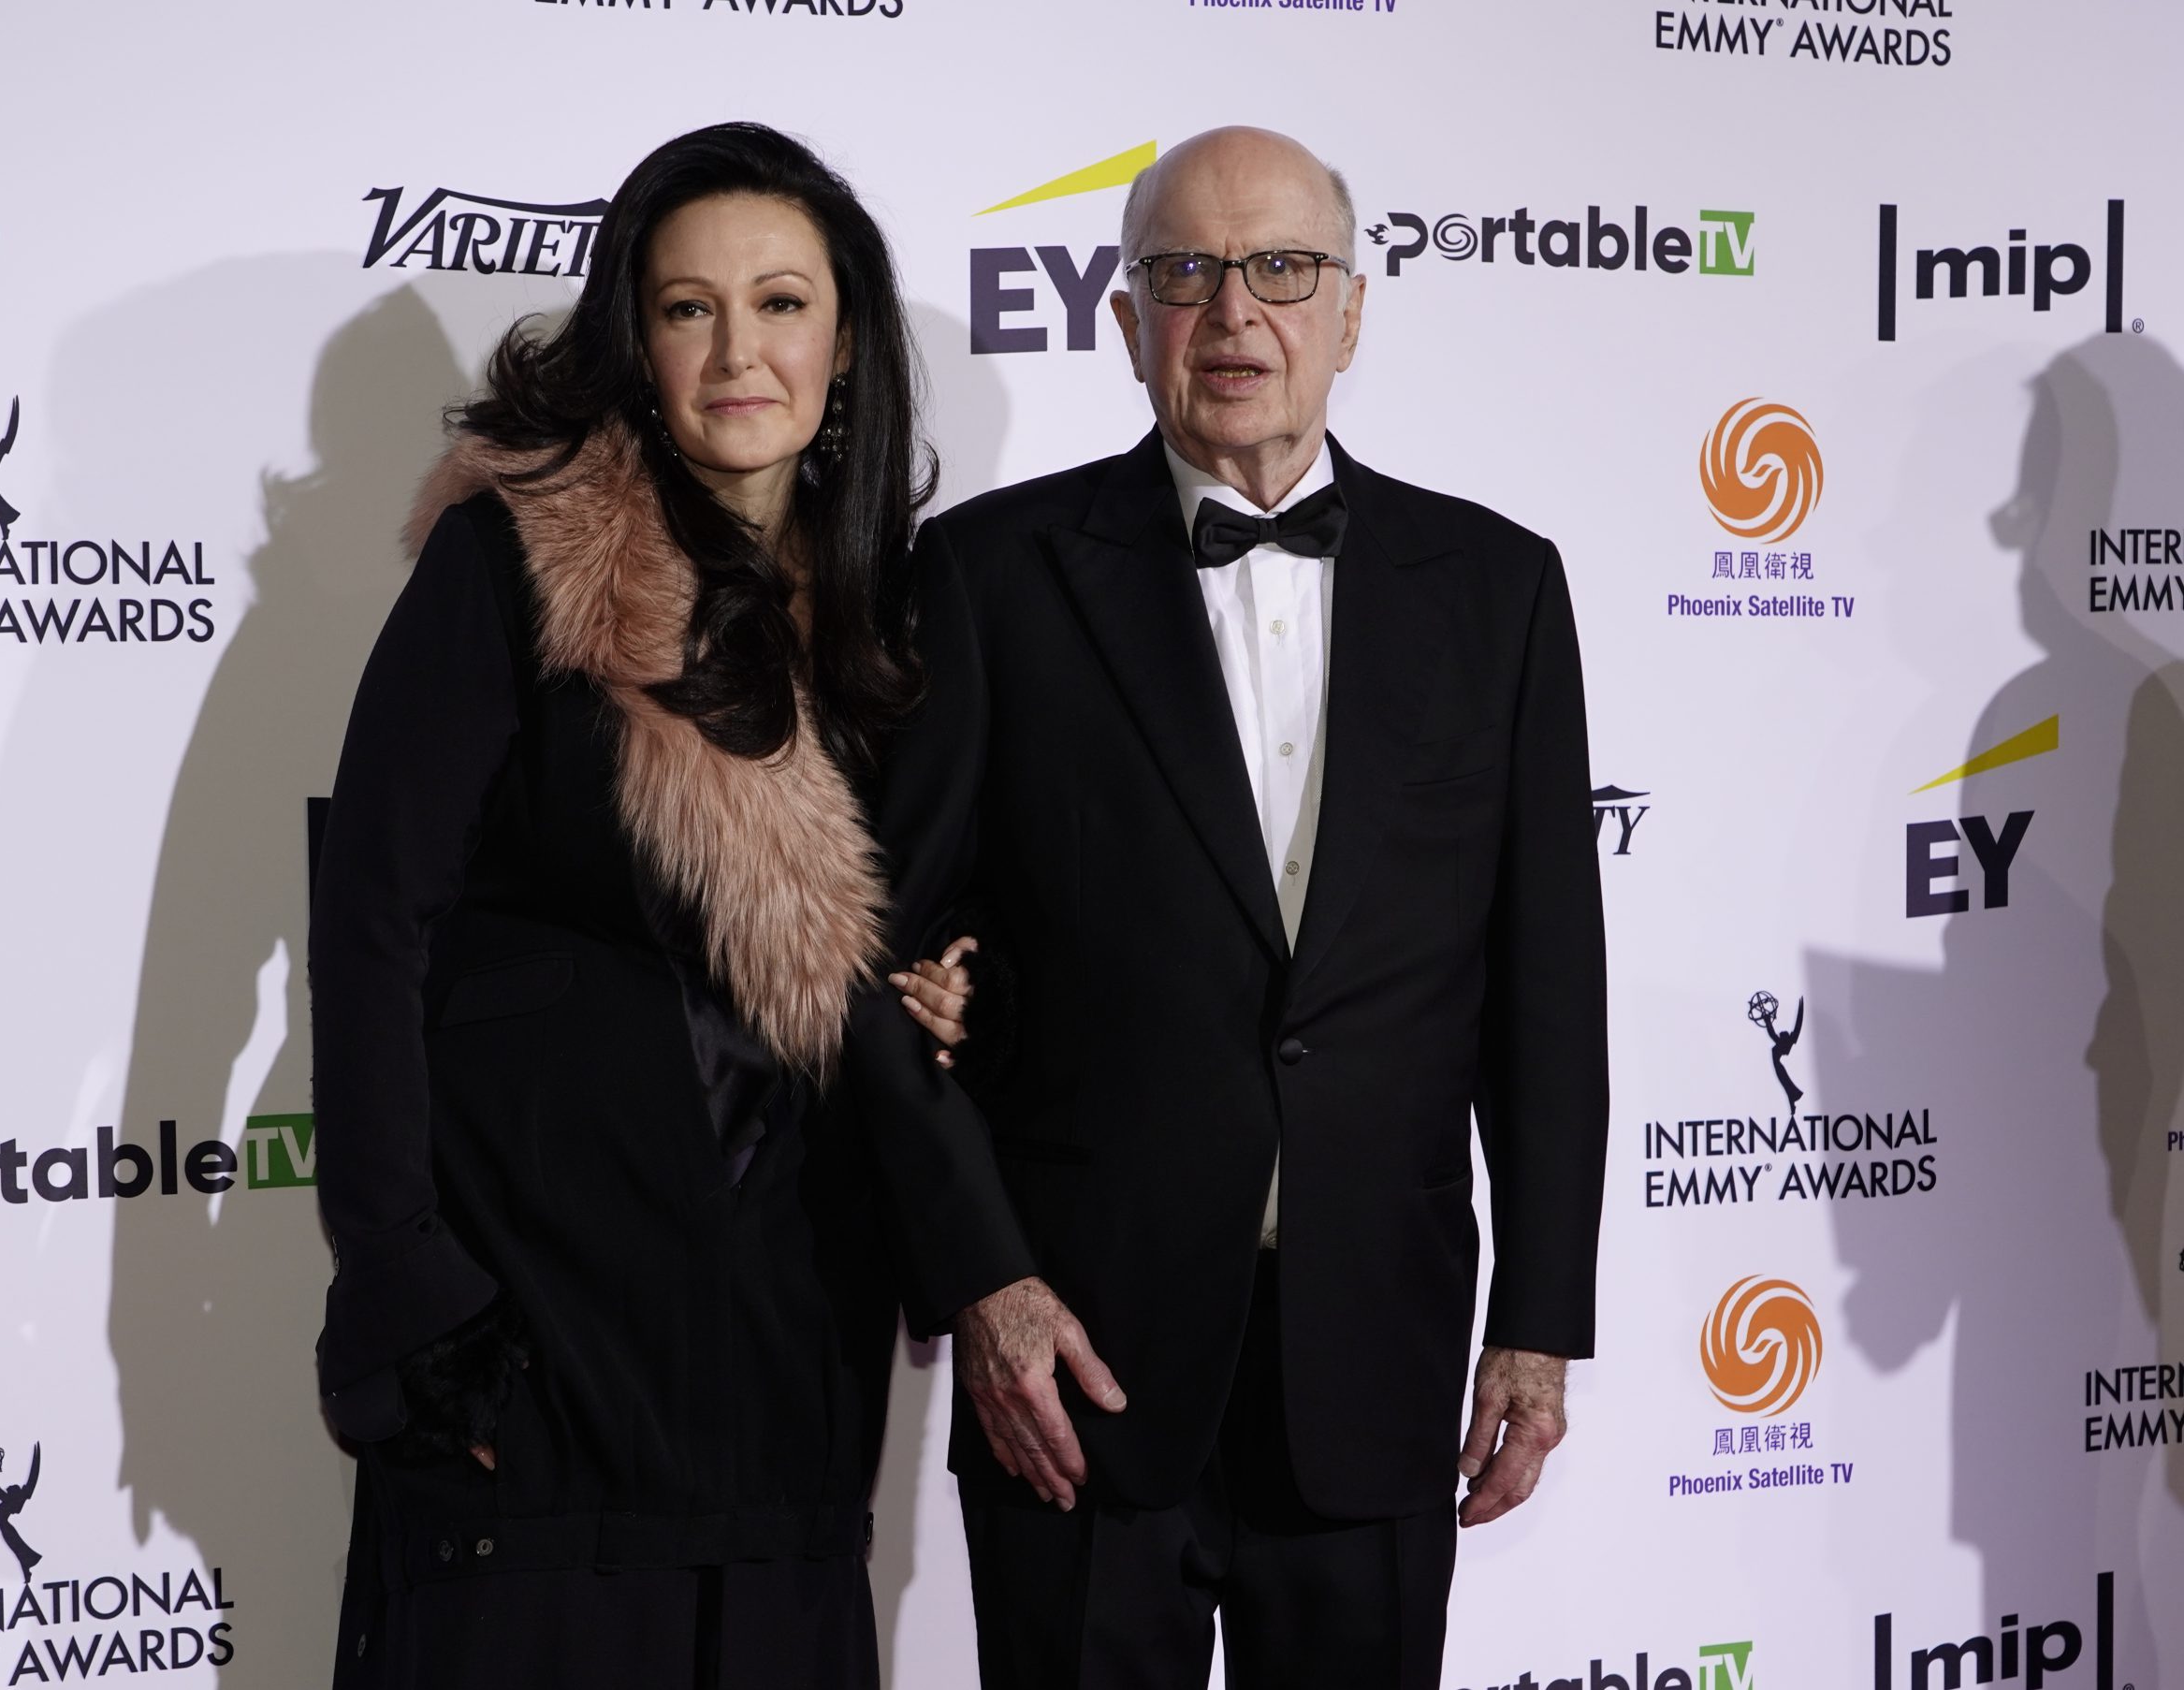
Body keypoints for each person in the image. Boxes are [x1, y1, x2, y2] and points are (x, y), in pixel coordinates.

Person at [848, 126, 1610, 1688]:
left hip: (1376, 1358)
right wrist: (984, 1283)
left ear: (1349, 312)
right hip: (1074, 1363)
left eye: (1281, 268)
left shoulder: (1500, 587)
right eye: (1184, 274)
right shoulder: (989, 575)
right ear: (1125, 323)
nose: (1234, 313)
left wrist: (1539, 1319)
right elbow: (869, 966)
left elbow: (1546, 990)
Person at [309, 122, 966, 1690]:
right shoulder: (512, 561)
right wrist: (406, 1282)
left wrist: (948, 993)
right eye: (689, 308)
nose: (739, 349)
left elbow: (907, 935)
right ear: (636, 338)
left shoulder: (899, 618)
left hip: (786, 1349)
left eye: (782, 302)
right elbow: (371, 922)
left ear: (848, 339)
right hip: (540, 1348)